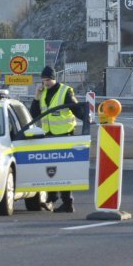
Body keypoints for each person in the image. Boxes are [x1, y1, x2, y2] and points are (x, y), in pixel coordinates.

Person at [30, 65, 85, 213]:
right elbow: (34, 114)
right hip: (48, 136)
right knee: (50, 168)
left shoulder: (65, 91)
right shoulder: (43, 92)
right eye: (43, 80)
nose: (46, 83)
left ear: (54, 78)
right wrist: (36, 97)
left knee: (63, 171)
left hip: (64, 136)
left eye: (48, 80)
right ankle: (51, 198)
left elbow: (76, 109)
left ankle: (67, 203)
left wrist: (87, 118)